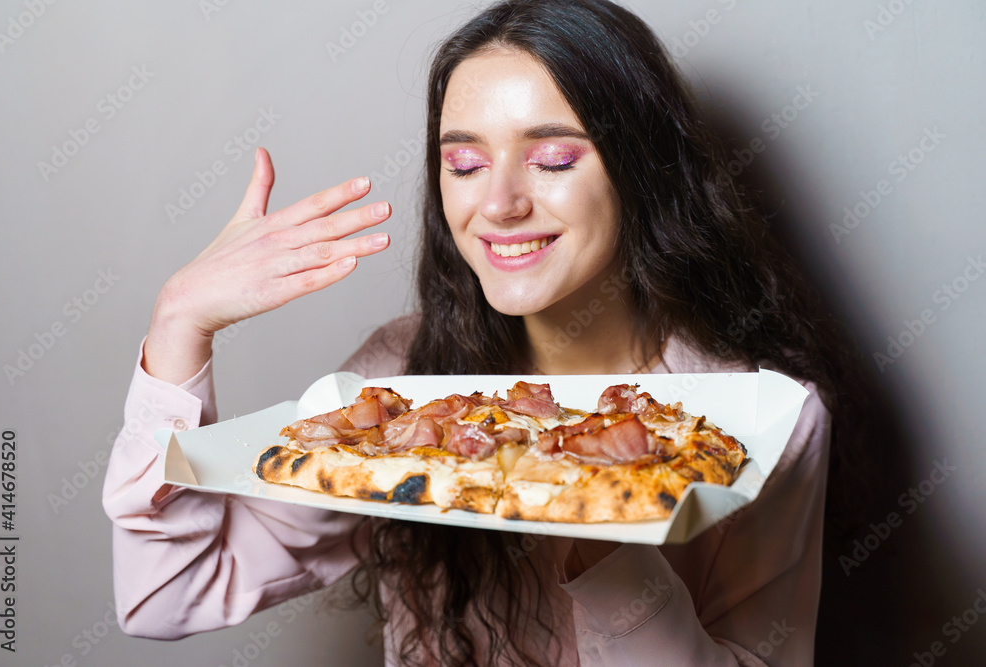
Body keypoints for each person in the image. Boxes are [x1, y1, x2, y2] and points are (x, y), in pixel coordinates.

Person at [104, 1, 864, 664]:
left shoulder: (766, 419)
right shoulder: (398, 383)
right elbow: (165, 598)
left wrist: (603, 523)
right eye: (464, 164)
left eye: (554, 158)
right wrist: (180, 321)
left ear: (639, 169)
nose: (498, 203)